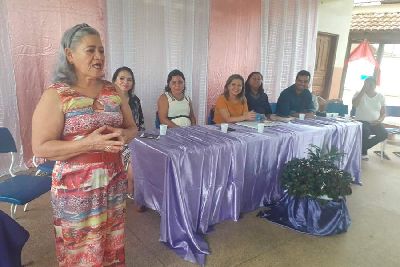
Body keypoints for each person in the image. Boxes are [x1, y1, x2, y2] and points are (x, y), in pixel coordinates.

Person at [32, 23, 138, 266]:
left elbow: (133, 128)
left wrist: (124, 135)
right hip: (75, 189)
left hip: (113, 181)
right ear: (70, 55)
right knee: (80, 249)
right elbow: (40, 147)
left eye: (101, 50)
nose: (99, 56)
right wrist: (88, 144)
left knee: (112, 241)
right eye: (90, 50)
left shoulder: (114, 91)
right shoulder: (56, 94)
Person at [112, 67, 144, 204]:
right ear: (114, 81)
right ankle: (131, 190)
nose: (126, 82)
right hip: (118, 141)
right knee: (134, 159)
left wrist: (142, 138)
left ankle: (146, 190)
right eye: (122, 78)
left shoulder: (135, 100)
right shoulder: (110, 101)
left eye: (129, 79)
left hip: (136, 138)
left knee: (153, 153)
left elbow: (141, 123)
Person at [352, 77, 388, 160]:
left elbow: (383, 113)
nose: (369, 86)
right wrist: (363, 90)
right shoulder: (359, 93)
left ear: (375, 85)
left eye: (371, 84)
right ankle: (363, 152)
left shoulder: (380, 96)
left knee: (384, 134)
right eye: (366, 84)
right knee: (366, 131)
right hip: (361, 121)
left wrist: (379, 120)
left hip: (375, 122)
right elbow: (355, 104)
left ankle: (361, 148)